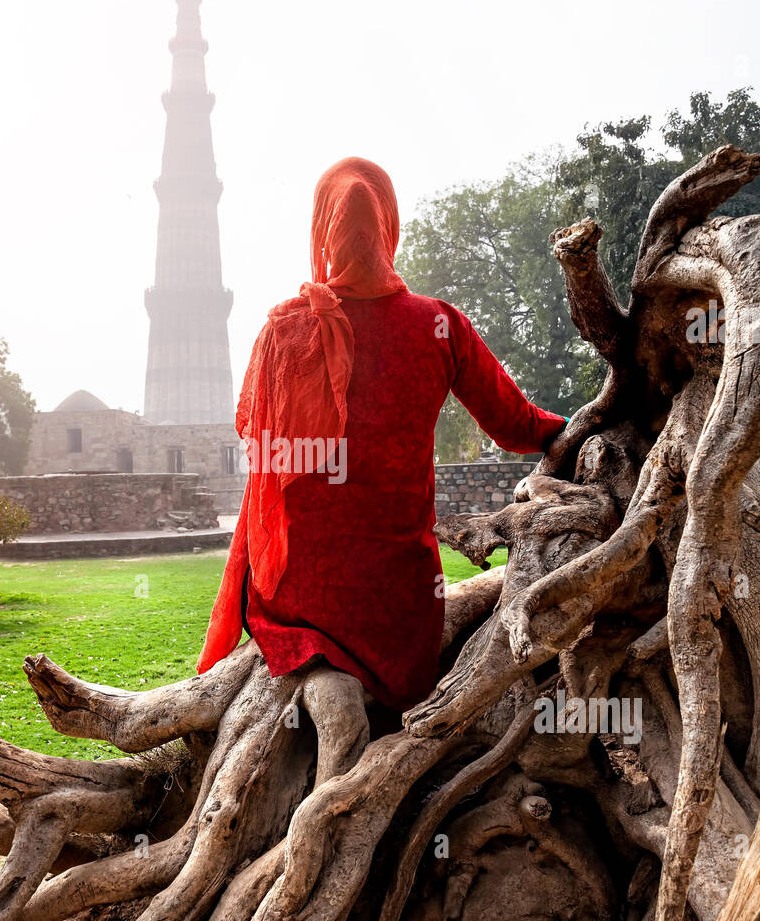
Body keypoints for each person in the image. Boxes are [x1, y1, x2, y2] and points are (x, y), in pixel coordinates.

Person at [197, 156, 566, 711]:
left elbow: (262, 458)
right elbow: (518, 427)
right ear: (388, 227)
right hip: (399, 610)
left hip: (299, 603)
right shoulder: (439, 326)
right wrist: (583, 426)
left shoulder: (284, 331)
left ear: (323, 227)